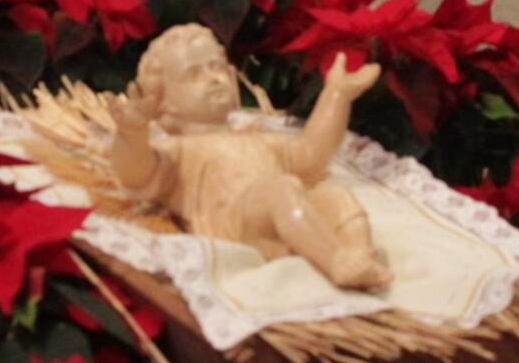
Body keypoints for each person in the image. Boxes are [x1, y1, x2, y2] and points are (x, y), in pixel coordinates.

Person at [109, 24, 389, 291]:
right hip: (238, 225)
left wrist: (336, 96)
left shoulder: (256, 136)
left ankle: (360, 258)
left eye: (216, 67)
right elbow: (136, 174)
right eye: (193, 74)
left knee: (335, 196)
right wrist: (131, 133)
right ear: (163, 100)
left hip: (286, 214)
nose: (212, 78)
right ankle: (337, 262)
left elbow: (311, 155)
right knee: (284, 188)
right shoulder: (180, 149)